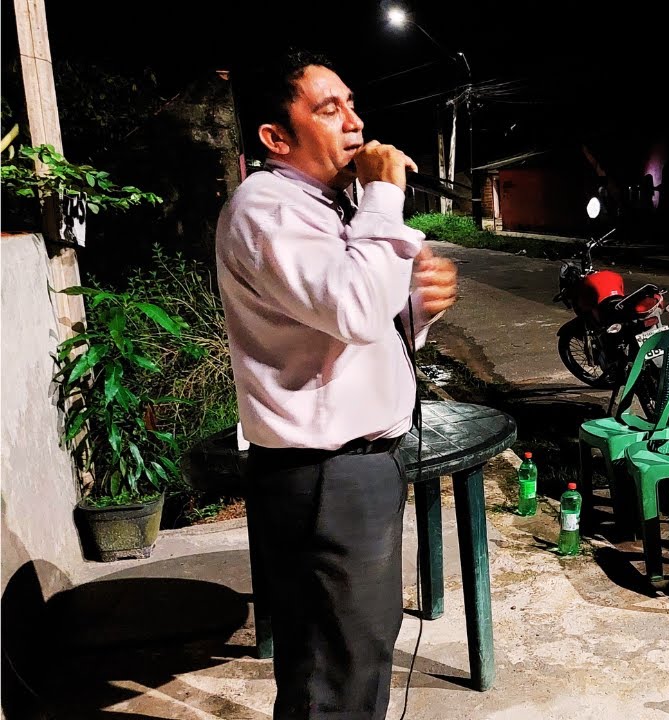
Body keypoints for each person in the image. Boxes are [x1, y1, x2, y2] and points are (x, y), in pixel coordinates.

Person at [215, 49, 458, 718]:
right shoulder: (266, 207)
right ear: (276, 137)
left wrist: (417, 308)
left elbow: (352, 325)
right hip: (322, 475)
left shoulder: (323, 205)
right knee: (332, 677)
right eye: (328, 109)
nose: (354, 122)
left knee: (357, 658)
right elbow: (351, 310)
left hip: (353, 470)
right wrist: (384, 194)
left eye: (352, 104)